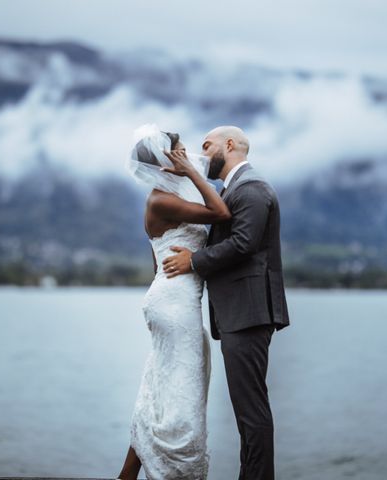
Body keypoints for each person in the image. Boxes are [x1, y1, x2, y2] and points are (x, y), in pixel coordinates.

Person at [163, 126, 290, 480]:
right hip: (240, 314)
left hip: (249, 313)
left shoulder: (252, 188)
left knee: (251, 410)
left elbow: (243, 243)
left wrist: (194, 261)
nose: (201, 153)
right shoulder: (233, 189)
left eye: (207, 145)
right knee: (247, 409)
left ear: (229, 145)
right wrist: (185, 173)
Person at [117, 124, 231, 480]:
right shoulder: (162, 199)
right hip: (175, 304)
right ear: (168, 160)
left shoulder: (171, 195)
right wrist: (193, 173)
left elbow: (157, 261)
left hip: (171, 297)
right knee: (182, 396)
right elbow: (221, 213)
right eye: (180, 150)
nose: (188, 153)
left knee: (160, 389)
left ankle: (127, 475)